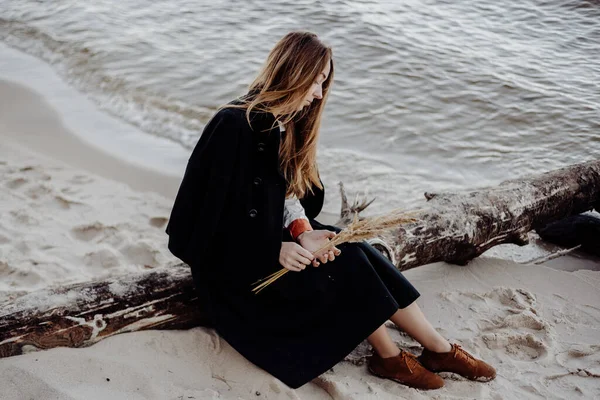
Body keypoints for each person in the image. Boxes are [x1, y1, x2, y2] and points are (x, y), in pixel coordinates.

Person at [165, 31, 496, 390]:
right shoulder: (231, 124)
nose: (319, 94)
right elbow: (191, 226)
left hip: (269, 247)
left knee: (351, 249)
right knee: (349, 266)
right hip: (235, 276)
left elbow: (286, 196)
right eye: (316, 81)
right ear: (294, 72)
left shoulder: (283, 125)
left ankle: (437, 348)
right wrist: (270, 250)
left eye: (324, 83)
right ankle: (389, 358)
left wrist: (302, 232)